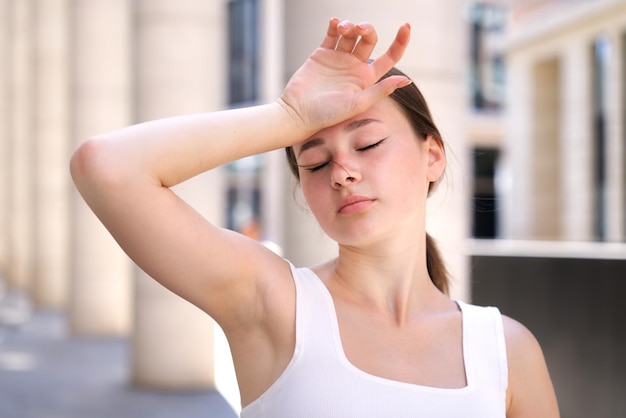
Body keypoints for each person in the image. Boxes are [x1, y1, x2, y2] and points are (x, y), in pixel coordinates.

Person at [70, 18, 559, 417]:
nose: (343, 172)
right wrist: (288, 116)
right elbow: (106, 167)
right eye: (315, 162)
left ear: (432, 155)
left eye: (368, 144)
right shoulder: (274, 304)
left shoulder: (506, 352)